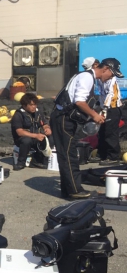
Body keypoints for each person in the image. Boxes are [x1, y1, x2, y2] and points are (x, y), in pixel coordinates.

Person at [51, 59, 115, 199]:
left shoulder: (86, 76)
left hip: (64, 117)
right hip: (63, 118)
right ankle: (75, 190)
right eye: (112, 74)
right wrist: (94, 115)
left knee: (67, 154)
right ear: (105, 69)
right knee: (69, 155)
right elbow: (79, 101)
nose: (111, 77)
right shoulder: (87, 77)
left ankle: (68, 190)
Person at [10, 92, 52, 170]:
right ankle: (21, 163)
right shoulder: (18, 115)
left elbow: (44, 123)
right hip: (22, 139)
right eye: (31, 105)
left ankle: (37, 161)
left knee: (51, 138)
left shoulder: (38, 112)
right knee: (27, 141)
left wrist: (47, 128)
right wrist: (36, 136)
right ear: (24, 105)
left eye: (35, 104)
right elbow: (19, 132)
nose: (34, 107)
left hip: (36, 136)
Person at [95, 57, 124, 165]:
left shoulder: (112, 80)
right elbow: (101, 93)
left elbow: (111, 95)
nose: (112, 75)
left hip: (113, 108)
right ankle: (102, 154)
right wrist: (99, 104)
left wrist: (105, 107)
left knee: (110, 132)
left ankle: (113, 156)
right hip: (104, 107)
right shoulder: (99, 79)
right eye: (112, 72)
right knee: (101, 131)